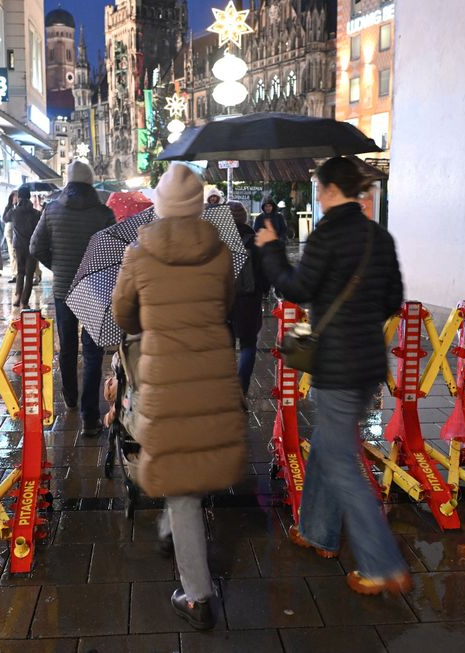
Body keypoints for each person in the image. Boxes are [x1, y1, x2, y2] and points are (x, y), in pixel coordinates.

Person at [255, 156, 409, 596]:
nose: (317, 195)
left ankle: (381, 564)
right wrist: (358, 322)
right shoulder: (378, 236)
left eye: (319, 188)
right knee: (327, 444)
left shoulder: (327, 234)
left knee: (341, 460)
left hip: (338, 363)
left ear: (329, 189)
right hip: (366, 361)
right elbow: (392, 297)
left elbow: (295, 288)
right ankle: (317, 530)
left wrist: (269, 247)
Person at [113, 163, 247, 630]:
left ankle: (197, 596)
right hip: (211, 369)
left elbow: (124, 316)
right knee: (198, 456)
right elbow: (226, 305)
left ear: (159, 205)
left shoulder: (138, 254)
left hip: (166, 376)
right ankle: (173, 526)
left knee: (184, 487)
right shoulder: (221, 253)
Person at [30, 160, 114, 437]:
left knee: (67, 347)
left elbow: (35, 246)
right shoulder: (103, 212)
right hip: (94, 289)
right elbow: (114, 252)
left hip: (64, 288)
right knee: (92, 353)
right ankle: (91, 417)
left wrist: (59, 266)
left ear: (67, 181)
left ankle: (69, 397)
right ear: (90, 182)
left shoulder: (52, 210)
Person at [227, 200, 268, 395]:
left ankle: (225, 386)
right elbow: (264, 270)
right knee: (248, 344)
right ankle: (241, 388)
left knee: (224, 346)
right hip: (249, 299)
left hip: (224, 300)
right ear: (243, 216)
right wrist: (264, 290)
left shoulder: (218, 240)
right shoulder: (255, 239)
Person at [8, 186, 41, 308]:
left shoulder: (14, 212)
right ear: (29, 196)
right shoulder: (36, 213)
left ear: (19, 197)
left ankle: (17, 298)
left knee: (20, 272)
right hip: (31, 246)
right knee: (29, 274)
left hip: (18, 246)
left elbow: (4, 218)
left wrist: (10, 203)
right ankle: (24, 301)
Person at [2, 191, 18, 284]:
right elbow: (4, 218)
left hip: (19, 232)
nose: (15, 198)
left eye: (16, 196)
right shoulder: (9, 207)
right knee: (12, 254)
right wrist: (12, 209)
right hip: (10, 233)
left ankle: (34, 274)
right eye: (13, 197)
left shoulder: (21, 206)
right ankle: (14, 274)